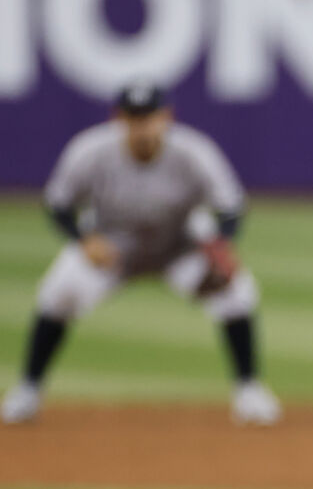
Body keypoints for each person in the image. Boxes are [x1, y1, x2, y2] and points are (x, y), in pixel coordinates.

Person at [1, 80, 280, 426]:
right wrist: (84, 241)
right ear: (118, 118)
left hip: (179, 245)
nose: (142, 125)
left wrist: (221, 246)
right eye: (134, 117)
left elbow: (230, 207)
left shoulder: (194, 152)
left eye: (149, 116)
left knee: (237, 292)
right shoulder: (90, 150)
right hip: (111, 247)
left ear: (167, 117)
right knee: (58, 293)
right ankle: (28, 390)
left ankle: (250, 391)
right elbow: (58, 205)